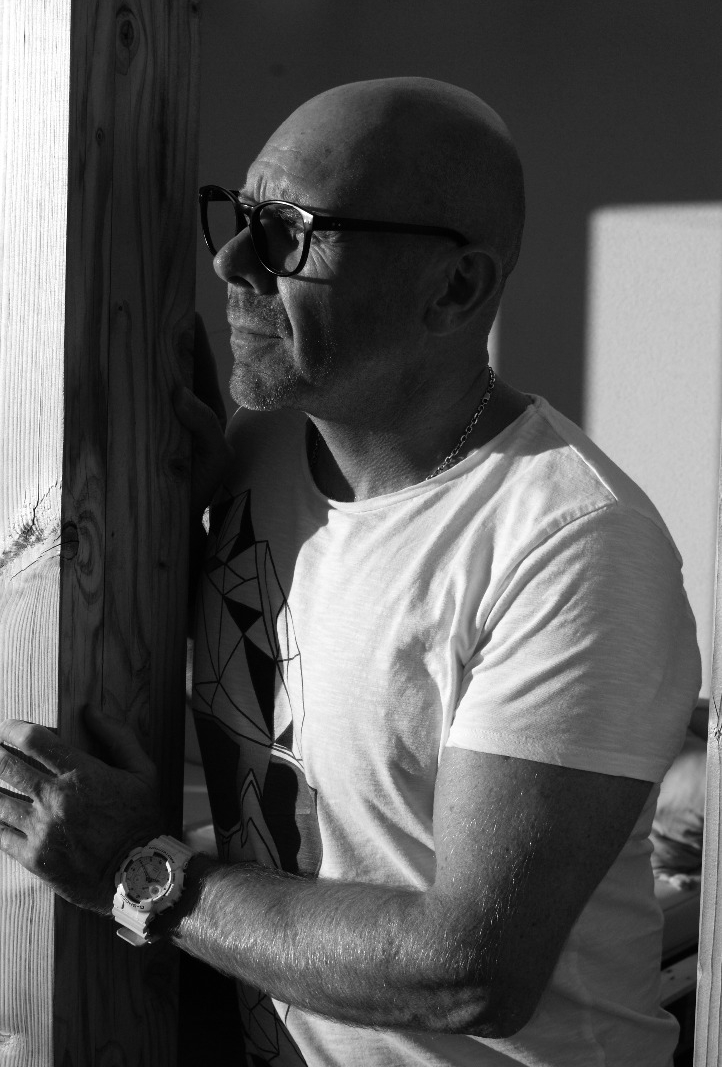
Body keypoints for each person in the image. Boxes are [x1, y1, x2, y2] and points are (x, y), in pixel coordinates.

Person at [0, 77, 702, 1066]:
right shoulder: (262, 451)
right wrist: (155, 523)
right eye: (238, 215)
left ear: (454, 288)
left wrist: (137, 871)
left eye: (288, 233)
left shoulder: (573, 545)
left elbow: (468, 970)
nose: (233, 262)